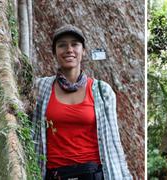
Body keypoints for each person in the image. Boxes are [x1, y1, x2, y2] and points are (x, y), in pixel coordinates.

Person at [32, 24, 132, 180]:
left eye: (74, 44)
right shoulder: (41, 88)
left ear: (83, 51)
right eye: (62, 45)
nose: (69, 49)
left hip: (92, 174)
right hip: (55, 174)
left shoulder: (101, 91)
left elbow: (113, 140)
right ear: (54, 52)